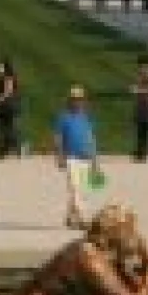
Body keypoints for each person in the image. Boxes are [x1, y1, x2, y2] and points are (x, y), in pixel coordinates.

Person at [53, 86, 101, 229]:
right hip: (71, 158)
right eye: (74, 99)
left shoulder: (86, 118)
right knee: (75, 188)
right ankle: (82, 218)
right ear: (69, 101)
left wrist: (94, 159)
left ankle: (70, 216)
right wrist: (60, 156)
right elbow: (58, 138)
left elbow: (91, 138)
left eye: (80, 99)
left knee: (81, 189)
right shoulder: (63, 118)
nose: (77, 102)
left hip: (85, 158)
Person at [0, 60, 22, 158]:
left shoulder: (8, 78)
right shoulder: (0, 79)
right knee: (5, 128)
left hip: (9, 105)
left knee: (8, 128)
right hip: (5, 106)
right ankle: (5, 149)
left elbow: (7, 92)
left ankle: (14, 148)